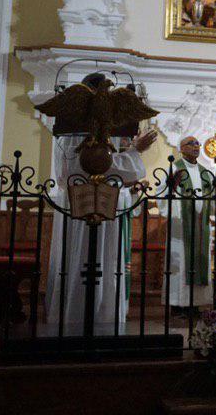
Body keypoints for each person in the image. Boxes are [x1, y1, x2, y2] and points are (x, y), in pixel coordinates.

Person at [46, 117, 156, 332]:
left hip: (95, 202)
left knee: (89, 263)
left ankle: (89, 315)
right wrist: (135, 151)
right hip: (86, 203)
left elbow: (102, 168)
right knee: (89, 261)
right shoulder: (79, 134)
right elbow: (95, 165)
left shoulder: (70, 130)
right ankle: (88, 318)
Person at [161, 136, 216, 308]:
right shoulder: (175, 168)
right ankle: (177, 304)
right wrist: (172, 189)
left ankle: (196, 304)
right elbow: (162, 191)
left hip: (201, 223)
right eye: (192, 143)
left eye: (198, 143)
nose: (196, 146)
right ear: (181, 148)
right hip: (181, 225)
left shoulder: (206, 171)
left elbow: (215, 196)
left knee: (201, 260)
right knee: (180, 262)